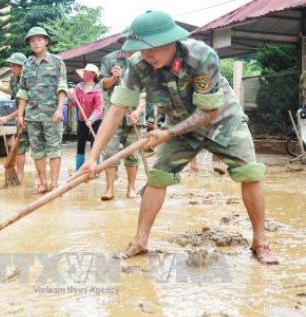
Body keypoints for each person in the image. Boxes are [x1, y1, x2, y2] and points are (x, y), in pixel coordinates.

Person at [80, 10, 278, 265]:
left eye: (152, 48)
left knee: (249, 172)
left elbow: (208, 112)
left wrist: (167, 133)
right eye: (141, 48)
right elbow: (115, 111)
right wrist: (93, 157)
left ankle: (259, 241)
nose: (147, 54)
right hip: (176, 123)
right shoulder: (138, 66)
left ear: (170, 40)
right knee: (158, 176)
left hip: (221, 120)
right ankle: (140, 240)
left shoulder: (201, 56)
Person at [17, 27, 68, 194]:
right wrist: (20, 115)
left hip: (52, 115)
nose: (36, 42)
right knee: (37, 152)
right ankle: (43, 183)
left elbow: (62, 86)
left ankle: (54, 184)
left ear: (46, 41)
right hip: (32, 116)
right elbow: (23, 92)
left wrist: (60, 109)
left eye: (39, 39)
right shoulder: (27, 65)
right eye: (32, 40)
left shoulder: (57, 62)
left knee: (54, 150)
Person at [98, 43, 146, 200]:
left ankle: (131, 188)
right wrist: (114, 78)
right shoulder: (110, 59)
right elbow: (103, 85)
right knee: (110, 152)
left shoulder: (145, 58)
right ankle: (109, 188)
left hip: (134, 114)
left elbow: (145, 92)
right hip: (113, 114)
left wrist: (138, 111)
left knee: (132, 153)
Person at [0, 52, 30, 183]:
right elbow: (10, 91)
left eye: (13, 66)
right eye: (10, 66)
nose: (11, 68)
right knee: (20, 148)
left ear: (21, 67)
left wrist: (7, 118)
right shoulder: (13, 79)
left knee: (40, 149)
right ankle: (20, 176)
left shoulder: (29, 80)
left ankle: (43, 179)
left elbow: (26, 106)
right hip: (20, 119)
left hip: (32, 118)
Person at [69, 63, 103, 170]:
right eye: (85, 72)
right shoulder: (79, 87)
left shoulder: (98, 89)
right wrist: (70, 96)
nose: (86, 74)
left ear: (93, 75)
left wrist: (91, 119)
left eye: (88, 73)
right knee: (80, 143)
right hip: (82, 119)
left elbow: (99, 107)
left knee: (95, 145)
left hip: (96, 120)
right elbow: (74, 103)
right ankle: (78, 169)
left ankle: (94, 169)